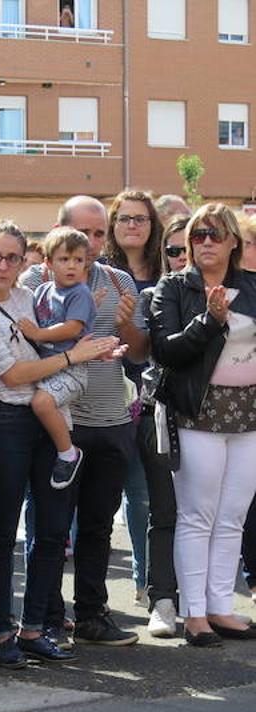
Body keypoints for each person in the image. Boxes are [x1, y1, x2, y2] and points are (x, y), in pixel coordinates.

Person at [0, 220, 120, 667]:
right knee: (4, 532)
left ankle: (33, 629)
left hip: (50, 418)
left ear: (25, 259)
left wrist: (90, 348)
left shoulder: (31, 296)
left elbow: (53, 346)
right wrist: (74, 356)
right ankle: (3, 633)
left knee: (50, 530)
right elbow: (11, 374)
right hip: (7, 418)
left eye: (13, 256)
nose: (4, 265)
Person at [19, 195, 149, 647]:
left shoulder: (118, 279)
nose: (92, 244)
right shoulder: (35, 280)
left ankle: (92, 614)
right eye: (83, 233)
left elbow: (138, 350)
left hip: (112, 419)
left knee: (98, 525)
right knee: (51, 528)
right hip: (62, 422)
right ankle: (49, 617)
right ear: (59, 234)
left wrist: (130, 328)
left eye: (99, 234)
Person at [149, 203, 256, 646]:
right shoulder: (174, 288)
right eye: (198, 235)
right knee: (198, 516)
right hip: (197, 413)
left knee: (232, 516)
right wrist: (209, 322)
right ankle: (194, 613)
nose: (205, 243)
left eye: (215, 234)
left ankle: (221, 607)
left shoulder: (250, 286)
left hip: (249, 415)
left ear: (234, 241)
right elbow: (166, 350)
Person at [104, 190, 163, 606]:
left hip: (153, 394)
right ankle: (92, 597)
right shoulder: (99, 271)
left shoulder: (167, 272)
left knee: (142, 495)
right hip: (101, 391)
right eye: (124, 218)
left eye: (140, 218)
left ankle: (146, 583)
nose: (132, 225)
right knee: (99, 499)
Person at [140, 216, 188, 638]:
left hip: (225, 418)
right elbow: (159, 352)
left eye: (187, 247)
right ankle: (163, 601)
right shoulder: (155, 296)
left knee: (214, 515)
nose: (181, 256)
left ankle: (205, 602)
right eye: (172, 250)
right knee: (165, 511)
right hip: (165, 414)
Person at [20, 226, 97, 489]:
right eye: (64, 259)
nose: (72, 266)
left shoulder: (80, 293)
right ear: (49, 262)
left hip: (71, 370)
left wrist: (38, 334)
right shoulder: (42, 291)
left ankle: (69, 454)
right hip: (47, 366)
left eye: (78, 260)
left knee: (41, 404)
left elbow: (72, 327)